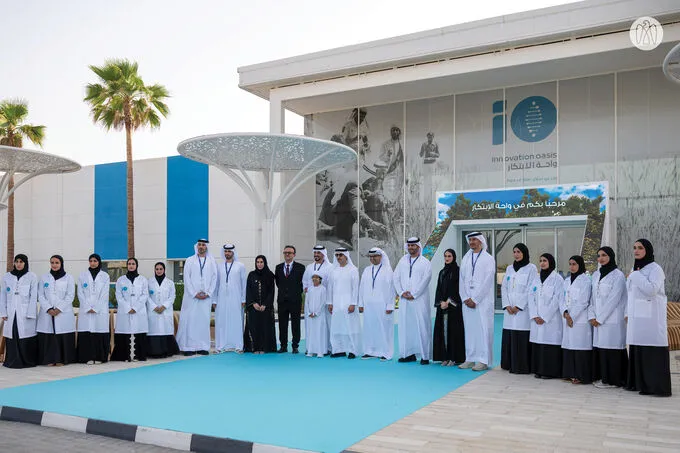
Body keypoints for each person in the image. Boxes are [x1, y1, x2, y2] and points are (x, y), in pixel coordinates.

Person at [625, 239, 671, 396]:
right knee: (639, 348)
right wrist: (627, 313)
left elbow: (652, 290)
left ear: (648, 250)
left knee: (652, 350)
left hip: (651, 318)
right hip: (636, 317)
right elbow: (630, 293)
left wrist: (635, 275)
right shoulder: (635, 269)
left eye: (640, 248)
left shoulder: (656, 269)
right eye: (634, 248)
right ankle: (641, 384)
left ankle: (656, 387)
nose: (636, 251)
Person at [588, 247, 628, 389]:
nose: (601, 258)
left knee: (612, 348)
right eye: (599, 256)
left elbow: (614, 299)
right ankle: (603, 378)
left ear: (610, 256)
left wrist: (600, 318)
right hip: (597, 320)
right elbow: (592, 298)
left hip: (612, 319)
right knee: (601, 348)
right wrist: (592, 316)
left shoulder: (618, 276)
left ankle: (614, 380)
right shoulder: (595, 275)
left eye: (604, 255)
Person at [458, 232, 496, 371]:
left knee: (483, 329)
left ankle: (483, 360)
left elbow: (488, 281)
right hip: (467, 301)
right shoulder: (466, 258)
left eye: (474, 239)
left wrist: (475, 299)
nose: (472, 242)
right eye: (470, 240)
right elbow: (461, 279)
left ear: (480, 241)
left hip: (482, 302)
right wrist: (465, 297)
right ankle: (470, 358)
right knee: (470, 330)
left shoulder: (488, 259)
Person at [394, 237, 432, 365]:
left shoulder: (425, 262)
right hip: (404, 299)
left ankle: (425, 356)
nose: (410, 247)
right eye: (409, 245)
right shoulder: (402, 261)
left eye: (413, 245)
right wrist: (401, 292)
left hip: (419, 300)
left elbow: (426, 279)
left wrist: (414, 294)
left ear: (418, 247)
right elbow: (396, 277)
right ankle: (407, 354)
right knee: (405, 326)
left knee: (422, 326)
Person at [176, 239, 218, 356]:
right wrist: (194, 293)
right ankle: (188, 347)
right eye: (199, 245)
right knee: (190, 321)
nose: (201, 247)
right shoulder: (190, 260)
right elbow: (187, 278)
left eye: (203, 245)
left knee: (203, 322)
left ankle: (202, 347)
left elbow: (214, 278)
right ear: (196, 246)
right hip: (191, 298)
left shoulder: (211, 261)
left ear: (206, 247)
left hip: (206, 298)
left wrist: (208, 293)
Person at [500, 243, 536, 374]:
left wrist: (518, 306)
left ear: (524, 253)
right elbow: (504, 287)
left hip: (522, 310)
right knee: (509, 334)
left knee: (521, 335)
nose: (516, 254)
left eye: (519, 252)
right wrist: (507, 305)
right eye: (514, 252)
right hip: (509, 309)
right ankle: (508, 364)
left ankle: (521, 365)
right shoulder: (510, 268)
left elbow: (530, 288)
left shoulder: (531, 268)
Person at [37, 255, 76, 366]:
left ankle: (61, 359)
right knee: (49, 335)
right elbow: (40, 295)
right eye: (52, 262)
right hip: (47, 312)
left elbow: (70, 295)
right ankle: (49, 359)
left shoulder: (69, 278)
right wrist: (48, 308)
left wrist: (59, 309)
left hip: (62, 312)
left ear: (61, 264)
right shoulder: (44, 277)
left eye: (57, 263)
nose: (54, 265)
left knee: (61, 335)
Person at [529, 253, 563, 379]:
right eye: (541, 260)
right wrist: (535, 315)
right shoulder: (536, 279)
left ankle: (550, 372)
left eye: (545, 260)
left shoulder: (557, 279)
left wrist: (544, 316)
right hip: (537, 319)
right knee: (539, 345)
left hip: (551, 320)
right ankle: (539, 370)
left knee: (549, 346)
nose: (542, 263)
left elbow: (557, 299)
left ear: (551, 262)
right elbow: (530, 297)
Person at [1, 254, 39, 368]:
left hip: (26, 312)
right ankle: (12, 361)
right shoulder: (7, 277)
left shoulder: (32, 276)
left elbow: (34, 296)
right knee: (13, 334)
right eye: (16, 261)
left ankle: (27, 361)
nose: (18, 264)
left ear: (25, 263)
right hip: (11, 312)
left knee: (26, 335)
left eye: (21, 262)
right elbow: (3, 295)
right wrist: (3, 312)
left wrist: (31, 313)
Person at [560, 255, 593, 385]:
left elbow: (584, 301)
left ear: (580, 265)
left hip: (579, 319)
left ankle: (580, 375)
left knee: (579, 346)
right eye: (570, 264)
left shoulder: (586, 281)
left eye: (574, 264)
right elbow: (561, 299)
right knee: (569, 345)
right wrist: (565, 313)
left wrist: (572, 316)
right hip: (568, 317)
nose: (572, 267)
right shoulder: (566, 281)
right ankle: (569, 373)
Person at [359, 248, 395, 361]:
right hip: (368, 305)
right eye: (371, 256)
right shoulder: (367, 270)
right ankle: (370, 351)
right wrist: (361, 303)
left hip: (383, 305)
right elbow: (361, 287)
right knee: (369, 328)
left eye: (375, 256)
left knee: (384, 329)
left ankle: (386, 352)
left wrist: (390, 305)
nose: (372, 258)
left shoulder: (388, 270)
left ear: (381, 256)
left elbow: (392, 289)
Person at [111, 258, 149, 362]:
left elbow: (145, 295)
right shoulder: (121, 280)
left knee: (139, 332)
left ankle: (139, 356)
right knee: (124, 332)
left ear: (136, 265)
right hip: (125, 310)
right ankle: (124, 356)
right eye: (129, 264)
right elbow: (119, 295)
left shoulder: (143, 280)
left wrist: (135, 307)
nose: (131, 266)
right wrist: (127, 308)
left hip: (139, 311)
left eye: (133, 264)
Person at [76, 253, 111, 364]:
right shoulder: (82, 276)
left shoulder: (105, 276)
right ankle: (86, 357)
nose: (93, 263)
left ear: (99, 262)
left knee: (98, 332)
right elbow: (80, 293)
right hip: (86, 310)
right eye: (91, 261)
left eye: (95, 261)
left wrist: (96, 308)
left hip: (100, 310)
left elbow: (105, 294)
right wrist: (87, 307)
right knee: (87, 333)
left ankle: (99, 357)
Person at [433, 248, 465, 366]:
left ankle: (454, 357)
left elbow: (458, 289)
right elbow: (439, 289)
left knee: (453, 332)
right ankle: (444, 357)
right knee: (442, 331)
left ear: (454, 257)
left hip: (453, 307)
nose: (447, 258)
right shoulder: (442, 272)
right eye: (445, 256)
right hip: (442, 307)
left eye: (449, 256)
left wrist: (449, 301)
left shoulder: (458, 271)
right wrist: (441, 302)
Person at [328, 247, 361, 359]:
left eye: (340, 255)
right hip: (336, 303)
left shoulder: (353, 270)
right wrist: (330, 303)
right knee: (337, 327)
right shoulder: (334, 271)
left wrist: (353, 303)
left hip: (348, 303)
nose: (338, 257)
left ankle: (352, 350)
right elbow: (330, 288)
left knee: (350, 327)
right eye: (336, 255)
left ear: (346, 256)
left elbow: (355, 288)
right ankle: (338, 350)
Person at [215, 244, 247, 353]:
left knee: (236, 321)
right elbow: (216, 284)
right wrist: (214, 300)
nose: (227, 253)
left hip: (236, 298)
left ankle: (238, 346)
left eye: (229, 251)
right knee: (222, 321)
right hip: (222, 298)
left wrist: (243, 299)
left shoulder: (240, 266)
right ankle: (221, 346)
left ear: (233, 252)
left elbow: (243, 284)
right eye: (225, 251)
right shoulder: (219, 266)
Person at [274, 245, 305, 353]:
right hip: (282, 300)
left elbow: (302, 283)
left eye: (289, 253)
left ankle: (295, 346)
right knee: (282, 324)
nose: (287, 254)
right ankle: (283, 346)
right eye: (285, 252)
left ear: (294, 254)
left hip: (295, 300)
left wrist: (294, 292)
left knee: (295, 324)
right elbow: (278, 283)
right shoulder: (278, 267)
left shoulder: (300, 267)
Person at [243, 255, 276, 354]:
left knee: (265, 327)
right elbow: (248, 290)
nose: (259, 264)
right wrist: (253, 303)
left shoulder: (270, 275)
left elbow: (271, 291)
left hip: (266, 308)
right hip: (254, 308)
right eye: (257, 262)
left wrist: (265, 304)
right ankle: (254, 348)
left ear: (265, 263)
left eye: (261, 262)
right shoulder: (251, 275)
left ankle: (265, 348)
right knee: (254, 327)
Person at [303, 245, 332, 354]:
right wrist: (306, 288)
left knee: (324, 325)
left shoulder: (330, 267)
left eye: (318, 253)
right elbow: (305, 280)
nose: (316, 255)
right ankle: (310, 348)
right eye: (315, 253)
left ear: (323, 254)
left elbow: (331, 284)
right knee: (310, 324)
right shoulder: (309, 267)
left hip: (324, 300)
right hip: (311, 301)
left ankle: (326, 348)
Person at [146, 262, 179, 359]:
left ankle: (166, 351)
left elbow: (172, 296)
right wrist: (154, 307)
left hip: (165, 311)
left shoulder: (170, 283)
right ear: (154, 270)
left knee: (165, 330)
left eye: (161, 269)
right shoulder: (149, 282)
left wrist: (164, 306)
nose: (159, 271)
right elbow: (147, 296)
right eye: (157, 269)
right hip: (153, 311)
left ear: (164, 270)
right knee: (154, 331)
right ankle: (153, 352)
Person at [304, 273, 328, 358]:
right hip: (310, 316)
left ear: (320, 279)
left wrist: (316, 313)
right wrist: (309, 312)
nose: (314, 279)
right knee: (311, 333)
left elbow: (323, 302)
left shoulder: (323, 289)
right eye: (313, 277)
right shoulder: (309, 289)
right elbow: (306, 302)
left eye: (317, 277)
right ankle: (311, 350)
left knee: (319, 332)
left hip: (319, 316)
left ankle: (320, 351)